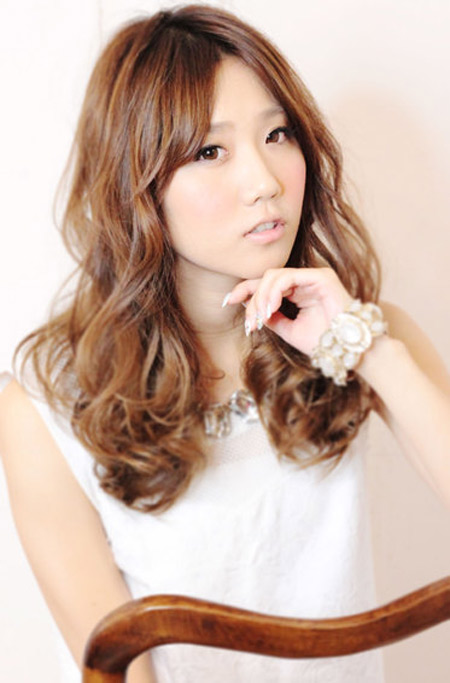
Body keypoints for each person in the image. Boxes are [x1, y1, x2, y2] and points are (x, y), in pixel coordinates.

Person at [0, 4, 449, 682]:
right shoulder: (49, 410)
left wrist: (366, 349)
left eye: (278, 134)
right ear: (134, 183)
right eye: (210, 151)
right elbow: (120, 669)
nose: (265, 182)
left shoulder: (360, 333)